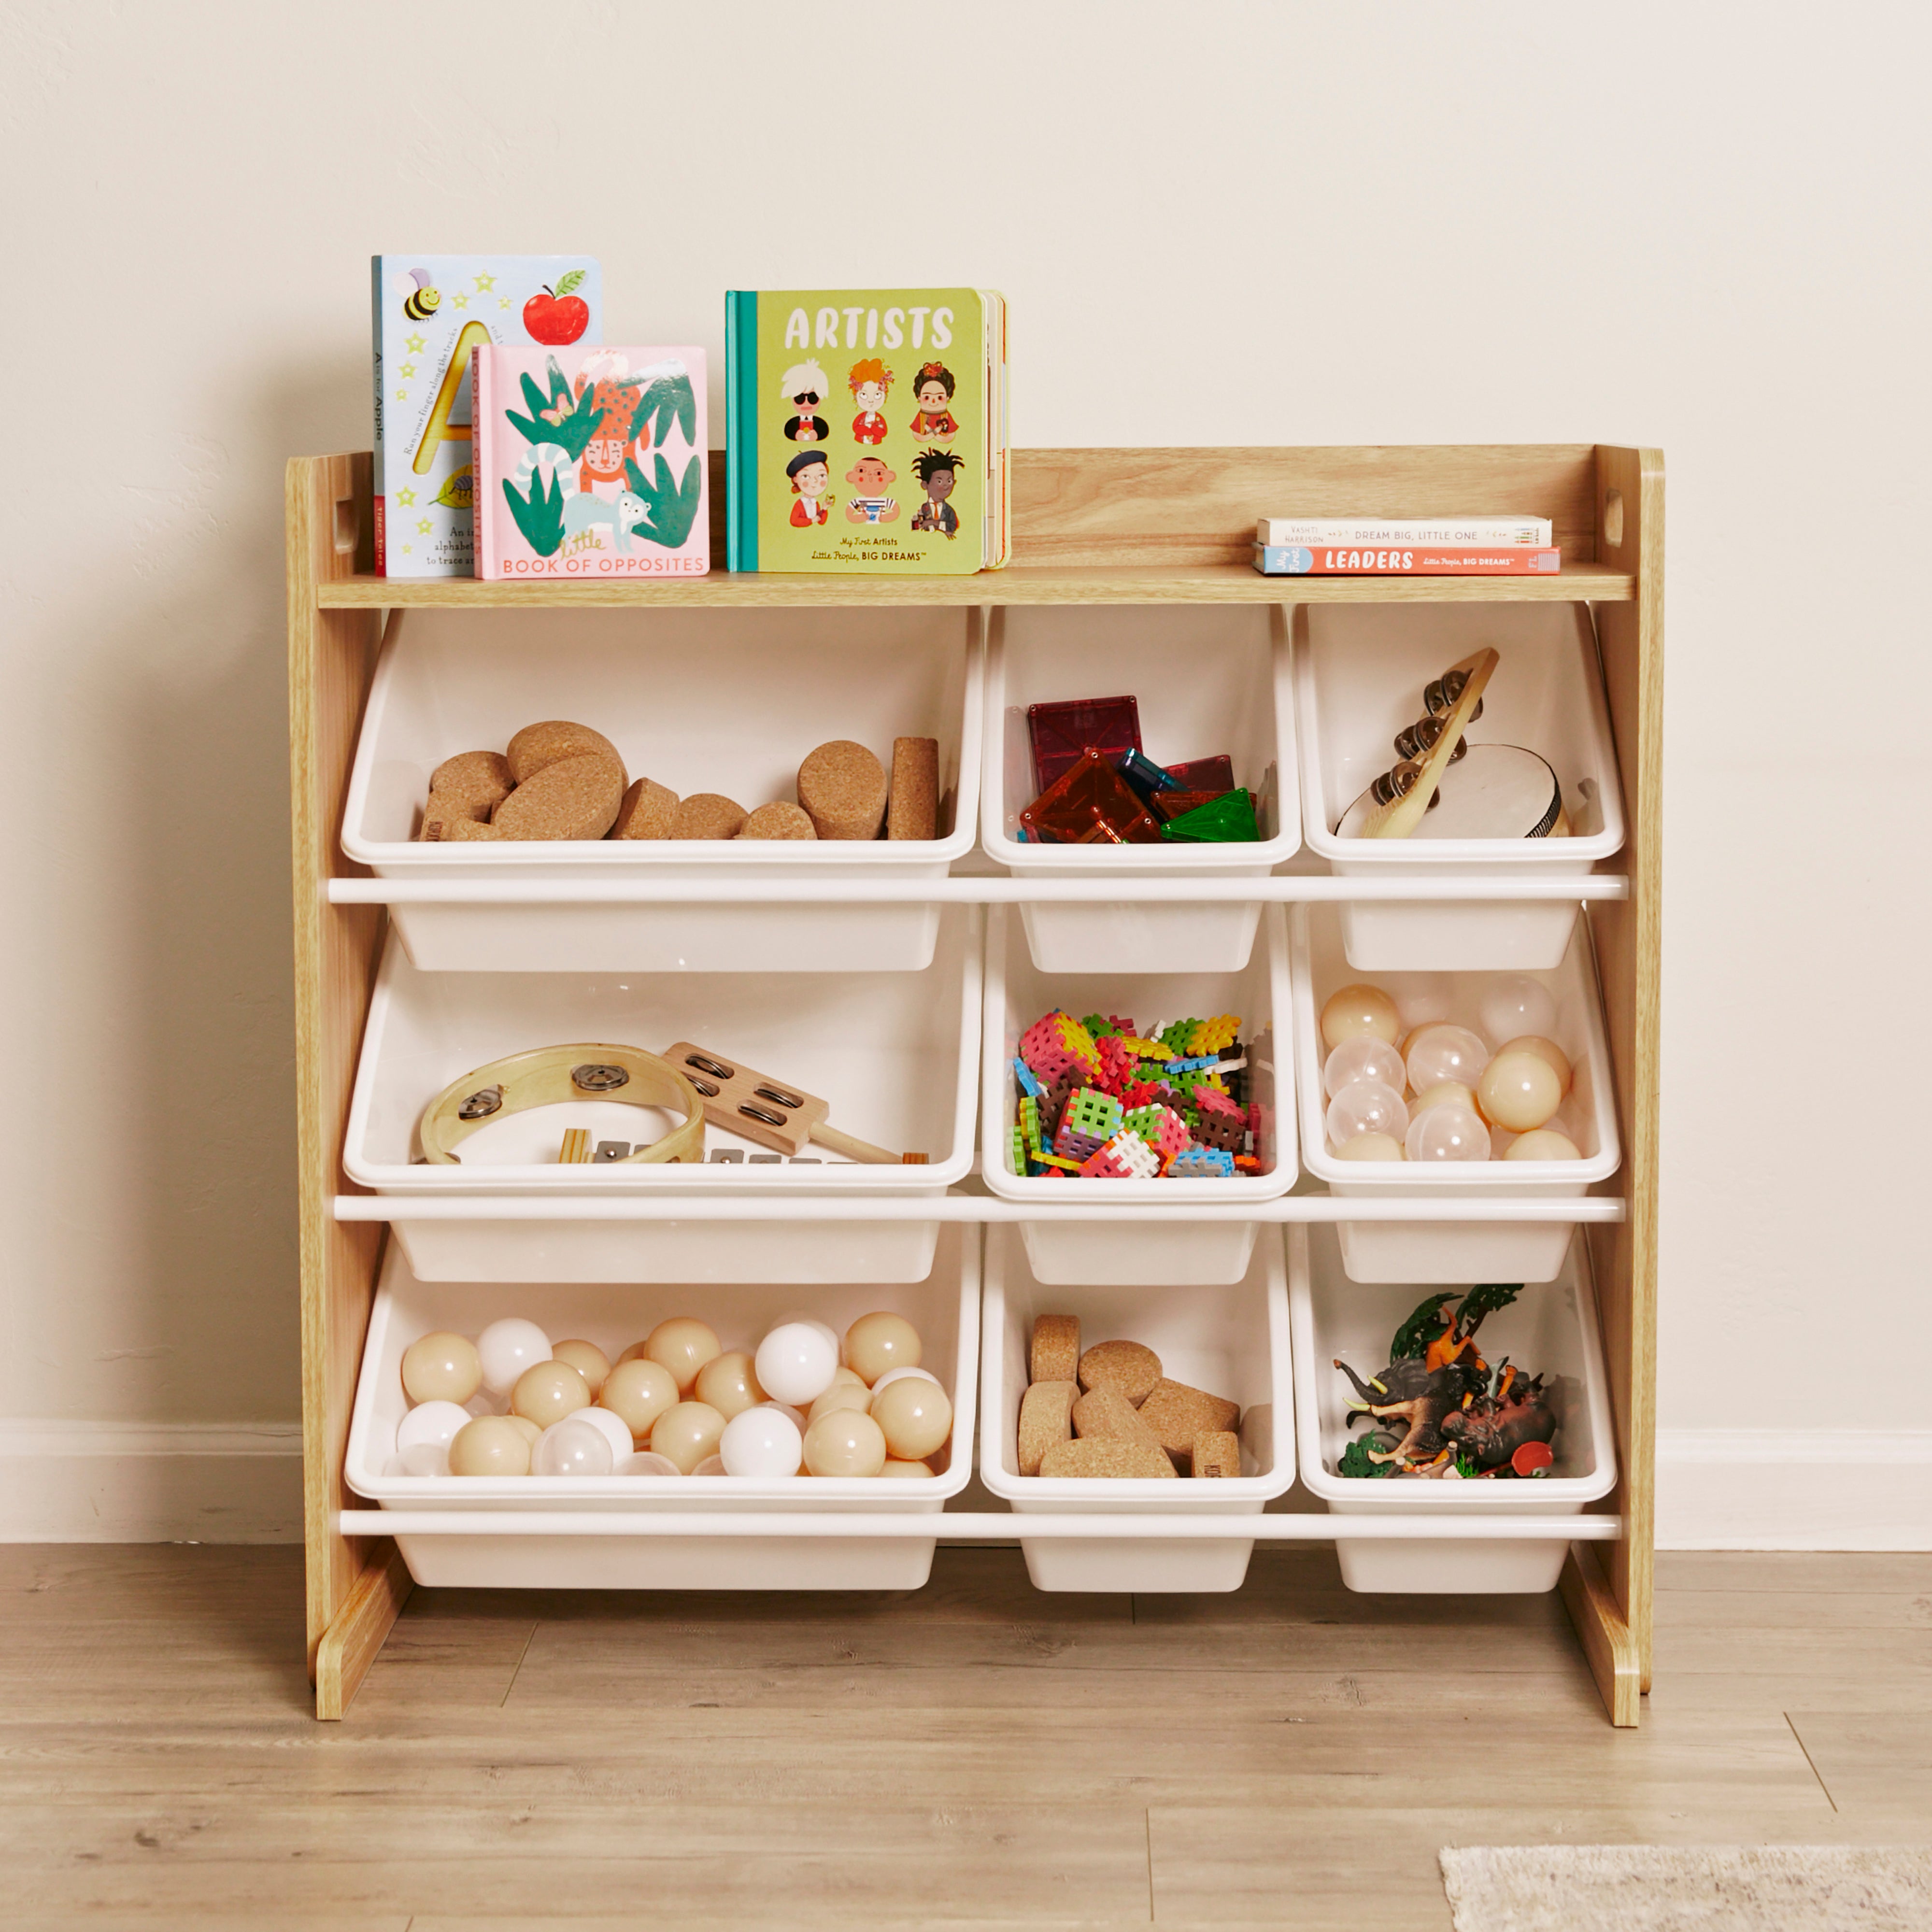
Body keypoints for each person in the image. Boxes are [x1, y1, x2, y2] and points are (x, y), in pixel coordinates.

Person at [909, 447, 960, 536]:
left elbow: (952, 527)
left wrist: (933, 522)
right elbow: (919, 527)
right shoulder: (924, 508)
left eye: (949, 481)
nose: (946, 485)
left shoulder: (948, 510)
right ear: (925, 485)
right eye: (939, 481)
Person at [779, 360, 830, 442]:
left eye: (812, 398)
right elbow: (788, 433)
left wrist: (817, 435)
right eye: (800, 398)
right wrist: (796, 436)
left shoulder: (821, 425)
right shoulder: (791, 425)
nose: (806, 403)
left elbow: (824, 433)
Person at [847, 357, 893, 445]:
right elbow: (856, 428)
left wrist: (872, 428)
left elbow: (883, 432)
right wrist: (868, 430)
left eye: (877, 395)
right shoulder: (861, 417)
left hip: (876, 444)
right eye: (864, 395)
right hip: (859, 443)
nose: (871, 401)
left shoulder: (879, 418)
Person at [908, 362, 959, 439]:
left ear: (947, 397)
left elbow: (951, 435)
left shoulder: (946, 416)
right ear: (919, 398)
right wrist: (931, 435)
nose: (934, 401)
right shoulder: (921, 416)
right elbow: (916, 435)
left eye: (940, 397)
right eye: (927, 397)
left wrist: (937, 435)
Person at [843, 454, 900, 523]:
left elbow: (896, 511)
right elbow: (849, 515)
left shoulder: (886, 501)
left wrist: (885, 518)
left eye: (879, 473)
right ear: (851, 477)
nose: (870, 475)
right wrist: (860, 518)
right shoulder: (858, 502)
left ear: (890, 476)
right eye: (861, 471)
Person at [787, 448, 832, 525]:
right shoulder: (799, 504)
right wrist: (811, 521)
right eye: (806, 476)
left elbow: (821, 522)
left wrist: (825, 508)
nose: (815, 481)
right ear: (796, 480)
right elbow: (794, 521)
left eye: (821, 476)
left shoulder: (815, 502)